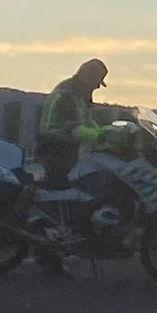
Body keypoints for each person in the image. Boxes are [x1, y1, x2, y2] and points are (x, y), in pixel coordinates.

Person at [33, 58, 110, 277]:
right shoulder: (67, 95)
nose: (98, 86)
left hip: (67, 150)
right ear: (87, 75)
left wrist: (108, 136)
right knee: (63, 203)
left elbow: (88, 124)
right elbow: (73, 129)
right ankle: (51, 256)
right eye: (98, 80)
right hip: (55, 150)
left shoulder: (80, 95)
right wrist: (102, 136)